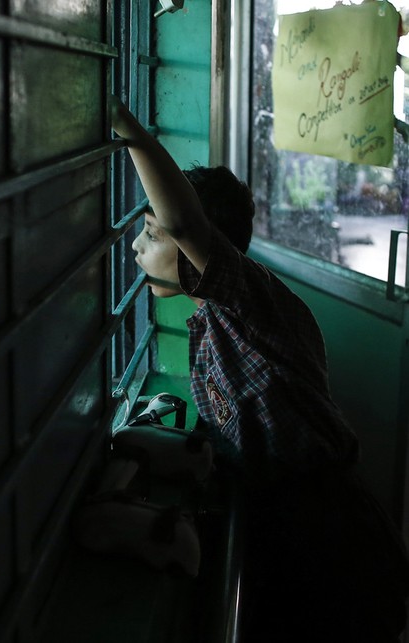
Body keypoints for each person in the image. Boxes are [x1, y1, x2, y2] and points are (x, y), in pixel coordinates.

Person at [109, 96, 409, 642]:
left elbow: (182, 221)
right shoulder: (209, 327)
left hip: (332, 537)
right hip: (283, 531)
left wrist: (124, 125)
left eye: (152, 234)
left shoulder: (250, 301)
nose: (137, 246)